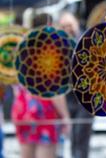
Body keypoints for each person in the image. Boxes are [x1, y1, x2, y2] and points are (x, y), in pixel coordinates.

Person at [12, 13, 70, 158]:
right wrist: (65, 117)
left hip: (23, 110)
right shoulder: (52, 54)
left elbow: (15, 84)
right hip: (45, 114)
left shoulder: (23, 49)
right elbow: (55, 92)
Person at [58, 12, 93, 158]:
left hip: (85, 99)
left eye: (70, 25)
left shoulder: (85, 41)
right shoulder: (59, 44)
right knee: (72, 136)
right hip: (68, 97)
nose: (68, 29)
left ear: (76, 24)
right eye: (64, 26)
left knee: (81, 136)